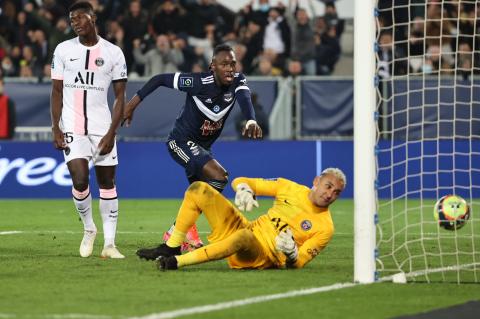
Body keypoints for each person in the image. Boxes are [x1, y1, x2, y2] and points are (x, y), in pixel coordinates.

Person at [123, 43, 263, 254]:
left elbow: (244, 97)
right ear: (212, 66)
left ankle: (183, 235)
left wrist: (251, 120)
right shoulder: (197, 82)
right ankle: (175, 233)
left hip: (203, 148)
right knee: (219, 177)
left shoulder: (237, 81)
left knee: (199, 194)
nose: (230, 68)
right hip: (180, 142)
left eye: (232, 63)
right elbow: (159, 79)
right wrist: (132, 104)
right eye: (224, 64)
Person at [144, 167, 346, 271]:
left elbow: (299, 262)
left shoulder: (325, 228)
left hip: (260, 255)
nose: (330, 194)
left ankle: (176, 262)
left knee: (244, 237)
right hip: (246, 228)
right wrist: (244, 189)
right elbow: (243, 180)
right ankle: (171, 246)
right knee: (199, 188)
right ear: (316, 181)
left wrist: (292, 254)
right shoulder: (289, 187)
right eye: (328, 186)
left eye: (336, 192)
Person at [50, 1, 127, 259]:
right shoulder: (62, 50)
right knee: (80, 180)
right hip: (72, 127)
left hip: (102, 127)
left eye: (79, 18)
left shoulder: (114, 53)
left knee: (107, 182)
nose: (74, 23)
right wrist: (56, 127)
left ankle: (110, 244)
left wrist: (111, 133)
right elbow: (57, 91)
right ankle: (89, 228)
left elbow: (120, 97)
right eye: (71, 19)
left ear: (92, 18)